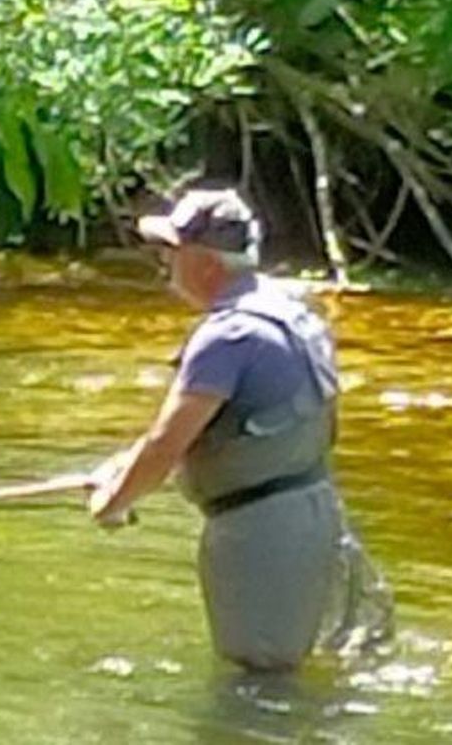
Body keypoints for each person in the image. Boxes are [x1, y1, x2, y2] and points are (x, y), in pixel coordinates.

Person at [86, 187, 347, 673]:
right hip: (313, 512)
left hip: (260, 531)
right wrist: (126, 468)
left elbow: (168, 443)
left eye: (173, 251)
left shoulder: (227, 336)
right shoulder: (293, 310)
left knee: (257, 684)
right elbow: (239, 427)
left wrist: (114, 501)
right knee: (284, 672)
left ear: (206, 263)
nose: (165, 263)